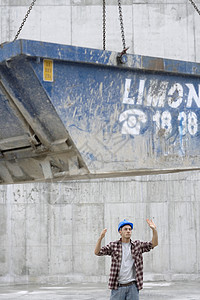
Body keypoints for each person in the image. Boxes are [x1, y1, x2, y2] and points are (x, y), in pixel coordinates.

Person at [94, 218, 158, 300]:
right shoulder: (114, 246)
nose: (128, 231)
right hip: (117, 287)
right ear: (120, 232)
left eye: (130, 229)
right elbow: (97, 252)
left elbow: (154, 244)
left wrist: (154, 230)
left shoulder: (137, 245)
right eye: (125, 229)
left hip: (133, 287)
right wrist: (100, 238)